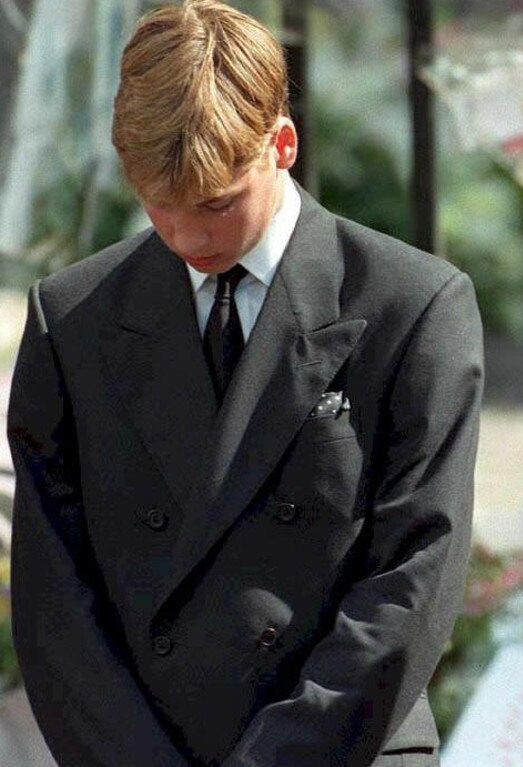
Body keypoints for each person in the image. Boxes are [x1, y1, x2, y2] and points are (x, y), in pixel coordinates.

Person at [6, 2, 483, 765]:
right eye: (158, 206)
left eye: (216, 202)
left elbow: (414, 575)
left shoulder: (412, 305)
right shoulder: (72, 320)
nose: (188, 236)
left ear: (281, 144)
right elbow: (52, 593)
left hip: (344, 748)